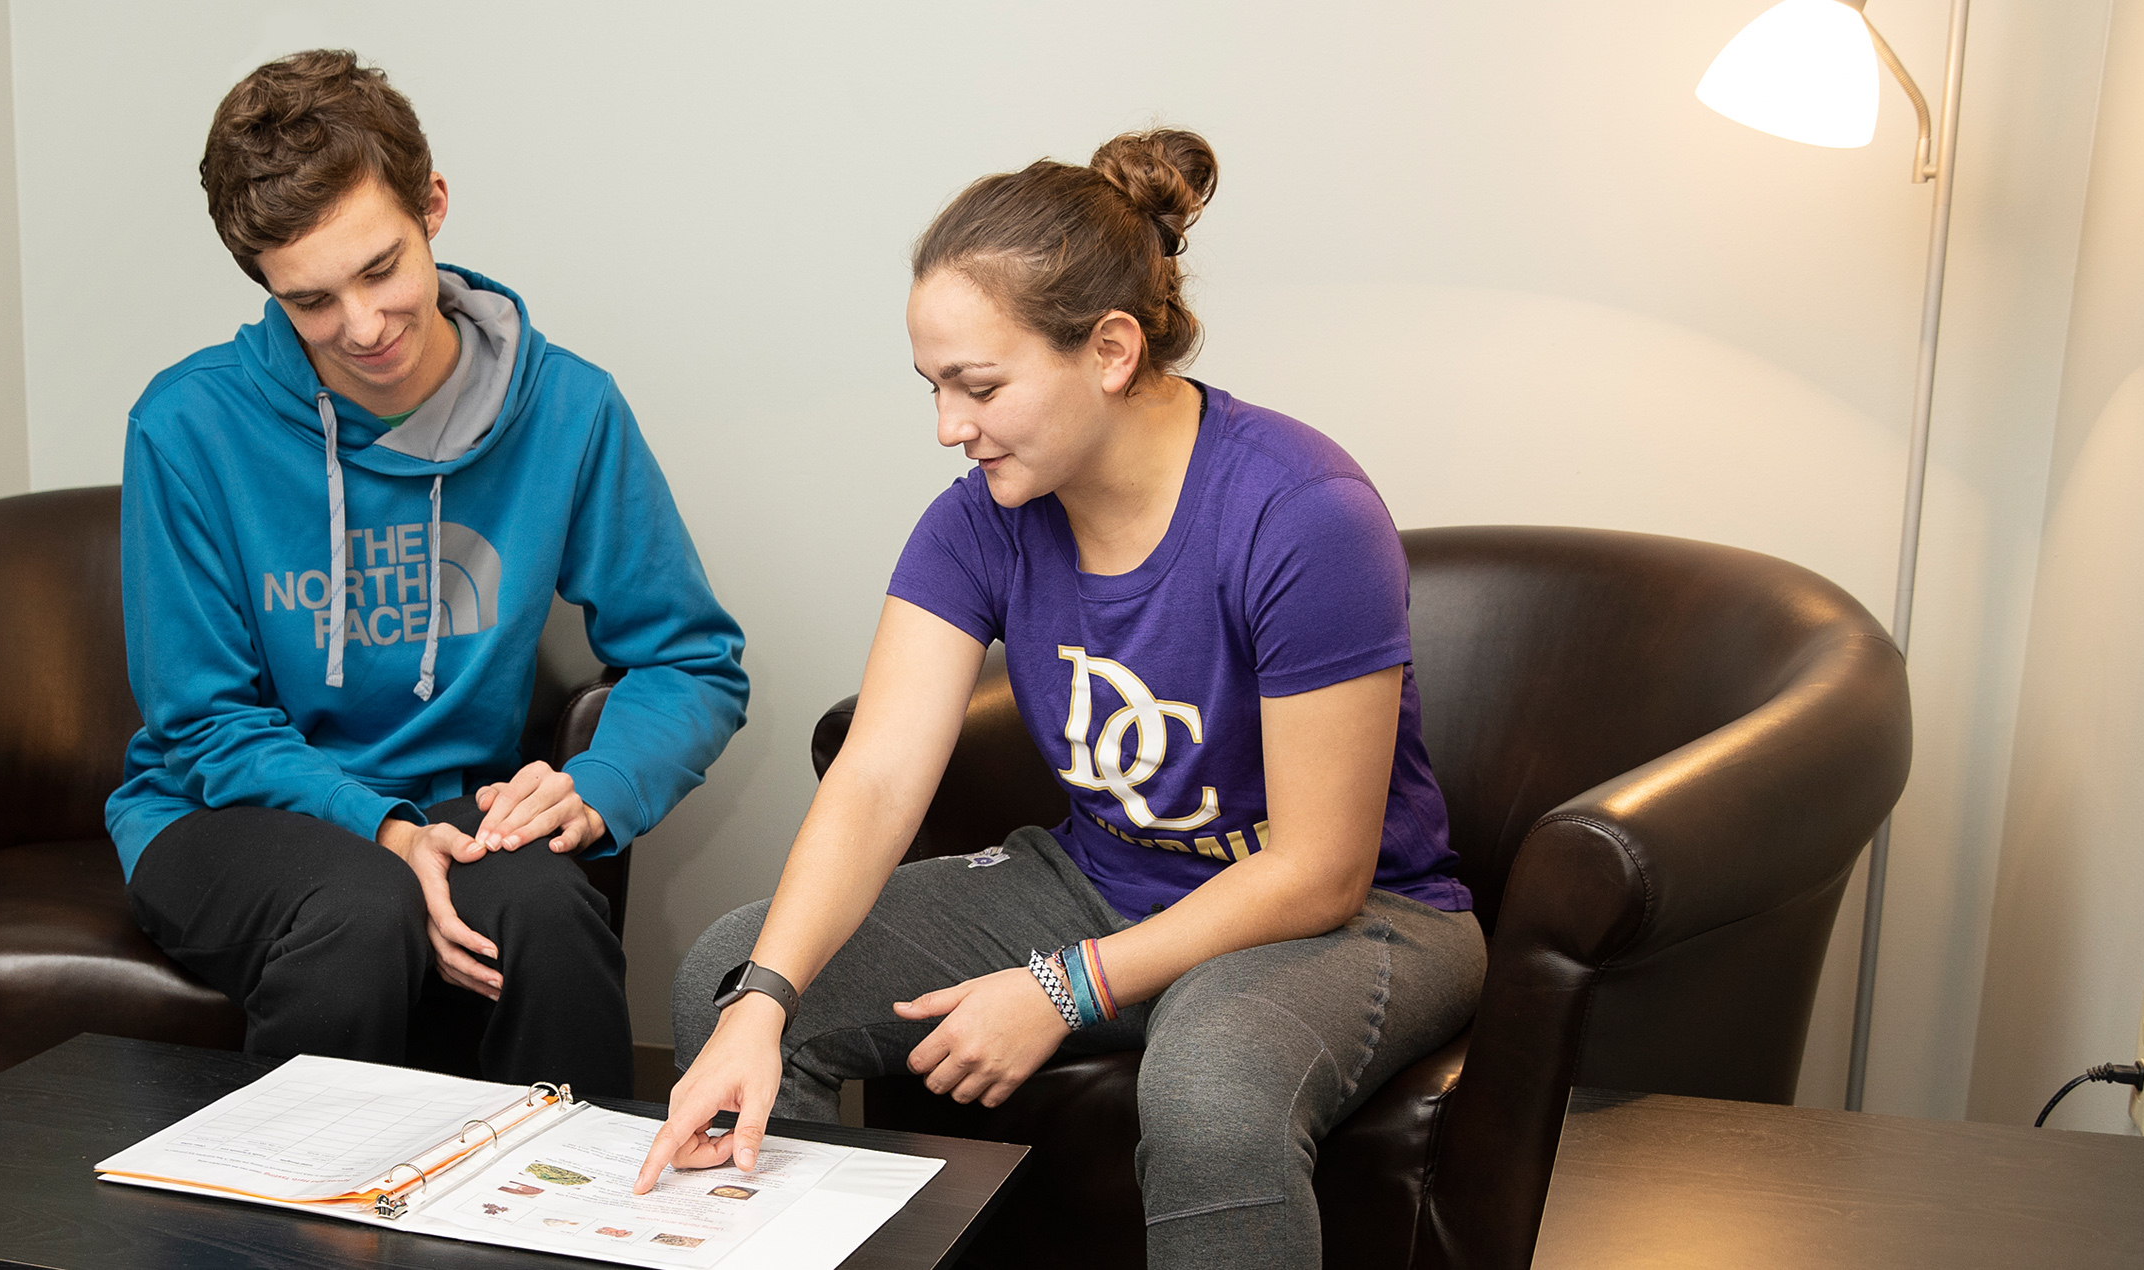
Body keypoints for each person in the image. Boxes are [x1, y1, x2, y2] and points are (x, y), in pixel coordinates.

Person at [641, 129, 1483, 1268]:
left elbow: (1318, 868)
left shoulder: (1302, 511)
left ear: (1110, 349)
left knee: (1207, 1083)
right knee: (728, 972)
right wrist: (765, 998)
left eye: (978, 385)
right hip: (1102, 879)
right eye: (934, 386)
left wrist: (1063, 984)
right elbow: (879, 774)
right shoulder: (978, 519)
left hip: (1360, 914)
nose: (948, 425)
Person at [109, 50, 747, 1098]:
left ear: (434, 205)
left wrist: (595, 788)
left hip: (455, 807)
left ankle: (569, 1237)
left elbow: (690, 661)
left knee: (550, 917)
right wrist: (387, 833)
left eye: (380, 269)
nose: (361, 329)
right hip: (217, 818)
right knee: (362, 914)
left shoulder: (568, 410)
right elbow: (203, 723)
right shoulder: (187, 425)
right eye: (311, 302)